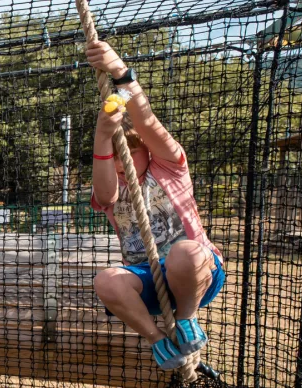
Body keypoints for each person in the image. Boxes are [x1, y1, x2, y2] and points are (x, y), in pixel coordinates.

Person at [86, 40, 225, 370]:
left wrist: (120, 72)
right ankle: (157, 340)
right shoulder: (116, 184)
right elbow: (104, 196)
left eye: (131, 153)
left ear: (147, 151)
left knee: (184, 253)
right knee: (106, 280)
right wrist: (103, 136)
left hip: (195, 274)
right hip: (148, 278)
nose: (124, 162)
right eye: (118, 156)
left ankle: (186, 319)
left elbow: (146, 122)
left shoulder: (170, 167)